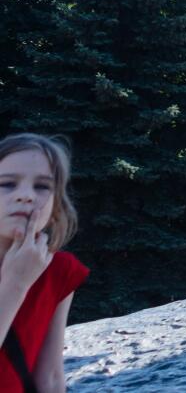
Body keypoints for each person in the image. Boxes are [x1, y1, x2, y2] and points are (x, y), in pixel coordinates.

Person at [0, 134, 85, 393]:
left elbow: (49, 377)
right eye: (7, 184)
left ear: (56, 204)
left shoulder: (59, 269)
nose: (25, 195)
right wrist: (15, 284)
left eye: (42, 187)